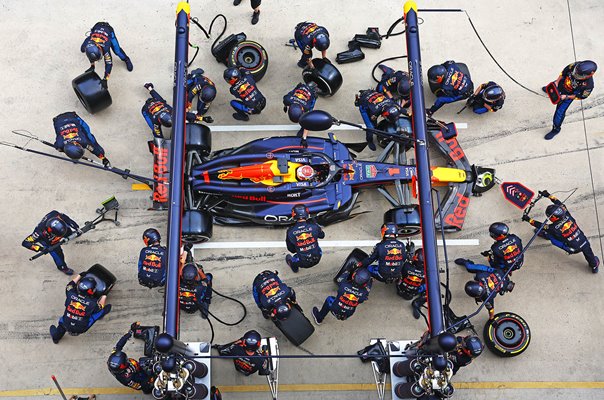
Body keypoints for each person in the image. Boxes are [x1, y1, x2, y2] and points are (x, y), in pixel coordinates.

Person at [523, 190, 600, 273]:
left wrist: (528, 220)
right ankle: (594, 266)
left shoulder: (553, 228)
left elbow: (541, 226)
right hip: (583, 241)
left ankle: (546, 235)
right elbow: (560, 204)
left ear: (553, 218)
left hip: (572, 249)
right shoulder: (567, 215)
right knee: (589, 253)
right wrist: (549, 195)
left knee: (551, 236)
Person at [49, 274, 111, 343]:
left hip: (66, 323)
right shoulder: (93, 303)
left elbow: (69, 286)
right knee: (102, 310)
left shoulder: (70, 294)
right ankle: (104, 313)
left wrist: (80, 275)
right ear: (91, 291)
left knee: (63, 323)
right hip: (81, 328)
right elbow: (100, 306)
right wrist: (104, 295)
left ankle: (56, 338)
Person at [543, 60, 597, 139]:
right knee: (551, 88)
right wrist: (557, 82)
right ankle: (550, 90)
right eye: (575, 72)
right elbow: (564, 72)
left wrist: (567, 97)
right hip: (562, 83)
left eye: (579, 75)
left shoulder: (588, 85)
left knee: (559, 113)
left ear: (590, 75)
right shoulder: (575, 65)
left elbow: (581, 96)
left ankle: (556, 129)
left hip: (569, 94)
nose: (575, 75)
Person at [142, 83, 212, 138]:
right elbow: (158, 134)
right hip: (145, 110)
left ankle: (149, 88)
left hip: (160, 103)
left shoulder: (171, 110)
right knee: (154, 129)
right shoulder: (155, 121)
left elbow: (187, 115)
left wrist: (203, 118)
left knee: (162, 101)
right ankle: (149, 88)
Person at [22, 210, 80, 275]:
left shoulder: (55, 214)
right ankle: (62, 267)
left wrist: (76, 227)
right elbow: (25, 242)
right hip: (49, 241)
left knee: (68, 231)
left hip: (61, 230)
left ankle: (69, 233)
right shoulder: (38, 234)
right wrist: (40, 248)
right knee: (58, 254)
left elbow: (67, 219)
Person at [455, 222, 524, 274]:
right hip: (519, 262)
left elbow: (494, 263)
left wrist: (489, 256)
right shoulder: (515, 237)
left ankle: (467, 263)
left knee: (471, 267)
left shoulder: (495, 248)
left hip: (505, 268)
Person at [107, 322, 157, 393]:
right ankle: (148, 390)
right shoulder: (127, 379)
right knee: (147, 385)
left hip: (136, 368)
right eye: (126, 361)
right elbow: (139, 386)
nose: (127, 360)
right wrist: (150, 377)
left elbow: (120, 344)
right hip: (137, 376)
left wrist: (130, 331)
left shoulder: (114, 355)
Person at [80, 22, 133, 87]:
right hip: (97, 26)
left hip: (108, 30)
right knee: (82, 49)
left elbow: (109, 64)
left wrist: (105, 79)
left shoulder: (105, 48)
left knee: (117, 51)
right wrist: (92, 66)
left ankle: (126, 59)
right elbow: (90, 54)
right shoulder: (87, 44)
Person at [285, 205, 325, 272]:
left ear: (294, 215)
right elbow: (322, 236)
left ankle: (294, 267)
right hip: (318, 257)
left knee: (290, 257)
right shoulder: (314, 226)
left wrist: (302, 246)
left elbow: (291, 250)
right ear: (306, 213)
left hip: (303, 263)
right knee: (317, 248)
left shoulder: (290, 231)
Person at [396, 248, 426, 319]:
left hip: (401, 289)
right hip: (415, 292)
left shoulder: (406, 265)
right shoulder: (427, 272)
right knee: (432, 285)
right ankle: (418, 303)